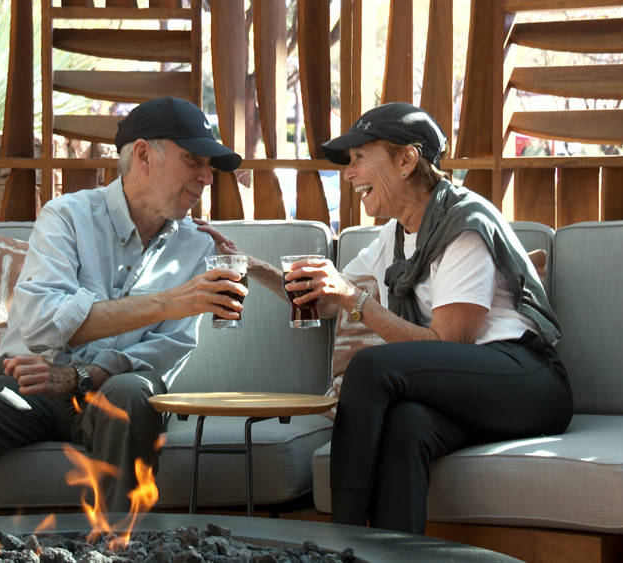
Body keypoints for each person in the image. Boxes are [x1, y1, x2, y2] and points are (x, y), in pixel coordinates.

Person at [0, 97, 246, 525]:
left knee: (135, 391)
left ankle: (117, 551)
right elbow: (44, 323)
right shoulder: (66, 216)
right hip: (29, 390)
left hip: (109, 395)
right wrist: (169, 301)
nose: (206, 177)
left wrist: (82, 375)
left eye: (208, 165)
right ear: (143, 155)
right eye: (193, 159)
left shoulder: (198, 247)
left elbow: (167, 350)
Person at [198, 102, 572, 534]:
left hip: (528, 381)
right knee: (406, 426)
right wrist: (246, 263)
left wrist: (354, 299)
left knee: (372, 366)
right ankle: (392, 554)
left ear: (407, 160)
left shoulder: (464, 224)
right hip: (470, 391)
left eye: (359, 158)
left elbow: (450, 344)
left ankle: (343, 540)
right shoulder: (393, 238)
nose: (349, 173)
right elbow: (319, 297)